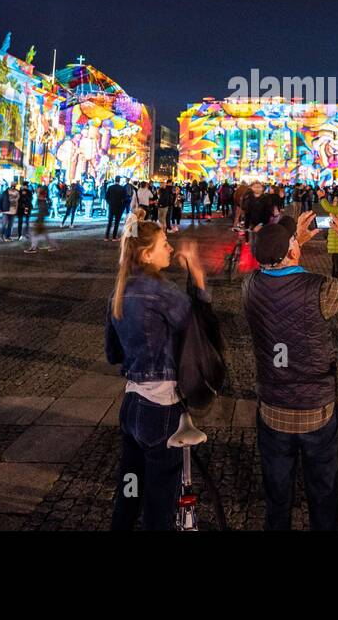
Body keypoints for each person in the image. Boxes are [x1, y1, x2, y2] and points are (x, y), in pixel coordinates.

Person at [243, 211, 338, 530]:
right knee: (323, 492)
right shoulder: (319, 289)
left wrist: (291, 244)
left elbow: (273, 262)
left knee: (277, 497)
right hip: (315, 408)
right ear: (291, 252)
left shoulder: (249, 287)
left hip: (272, 408)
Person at [105, 221, 209, 530]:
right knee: (159, 504)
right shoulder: (162, 292)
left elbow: (113, 354)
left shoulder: (119, 291)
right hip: (161, 407)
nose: (171, 248)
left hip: (132, 405)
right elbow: (198, 327)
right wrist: (198, 276)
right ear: (147, 254)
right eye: (164, 244)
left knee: (129, 490)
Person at [25, 184, 54, 253]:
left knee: (34, 234)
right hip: (41, 221)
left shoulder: (42, 202)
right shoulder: (41, 201)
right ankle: (53, 246)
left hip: (40, 221)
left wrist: (37, 221)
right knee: (45, 235)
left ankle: (33, 248)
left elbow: (42, 213)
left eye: (38, 192)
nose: (37, 193)